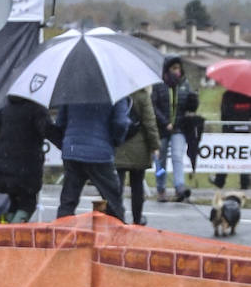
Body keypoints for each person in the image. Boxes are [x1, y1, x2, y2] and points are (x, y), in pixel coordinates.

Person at [53, 96, 130, 220]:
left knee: (68, 200)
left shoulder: (72, 88)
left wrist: (68, 142)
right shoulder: (114, 90)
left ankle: (62, 232)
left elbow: (60, 122)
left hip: (72, 151)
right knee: (113, 200)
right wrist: (116, 141)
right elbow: (121, 122)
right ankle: (115, 235)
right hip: (100, 153)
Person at [0, 94, 50, 223]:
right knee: (28, 203)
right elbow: (47, 130)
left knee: (15, 201)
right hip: (27, 169)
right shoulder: (36, 110)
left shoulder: (6, 110)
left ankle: (8, 227)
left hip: (4, 170)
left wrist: (6, 144)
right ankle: (14, 229)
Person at [152, 55, 198, 203]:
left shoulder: (184, 84)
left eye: (178, 68)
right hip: (162, 129)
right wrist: (165, 122)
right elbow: (154, 106)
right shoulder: (159, 85)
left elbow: (190, 107)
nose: (177, 71)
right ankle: (161, 188)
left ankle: (180, 187)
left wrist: (194, 100)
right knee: (160, 160)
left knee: (178, 157)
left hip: (179, 128)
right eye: (174, 68)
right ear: (167, 69)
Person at [114, 86, 161, 226]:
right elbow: (149, 122)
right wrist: (155, 145)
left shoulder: (117, 92)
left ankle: (117, 217)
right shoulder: (142, 95)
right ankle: (137, 218)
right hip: (139, 147)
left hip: (119, 144)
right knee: (137, 186)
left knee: (117, 186)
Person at [211, 84, 251, 194]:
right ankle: (245, 182)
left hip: (230, 131)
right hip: (245, 130)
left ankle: (220, 181)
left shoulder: (228, 95)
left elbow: (224, 114)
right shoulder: (248, 95)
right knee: (243, 157)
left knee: (227, 156)